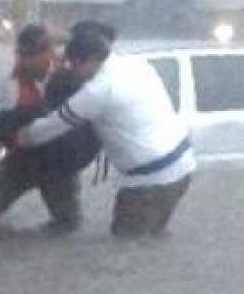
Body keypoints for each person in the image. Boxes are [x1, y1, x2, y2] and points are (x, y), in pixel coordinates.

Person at [16, 25, 194, 237]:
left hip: (148, 182)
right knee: (151, 241)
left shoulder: (98, 91)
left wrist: (20, 137)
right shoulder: (135, 64)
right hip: (182, 168)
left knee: (126, 248)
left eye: (75, 64)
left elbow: (50, 127)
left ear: (90, 60)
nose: (71, 70)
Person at [0, 22, 101, 233]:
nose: (25, 61)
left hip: (60, 163)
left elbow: (87, 120)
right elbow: (0, 126)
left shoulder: (74, 74)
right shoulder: (14, 83)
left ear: (49, 51)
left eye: (32, 55)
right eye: (21, 55)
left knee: (68, 225)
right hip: (24, 157)